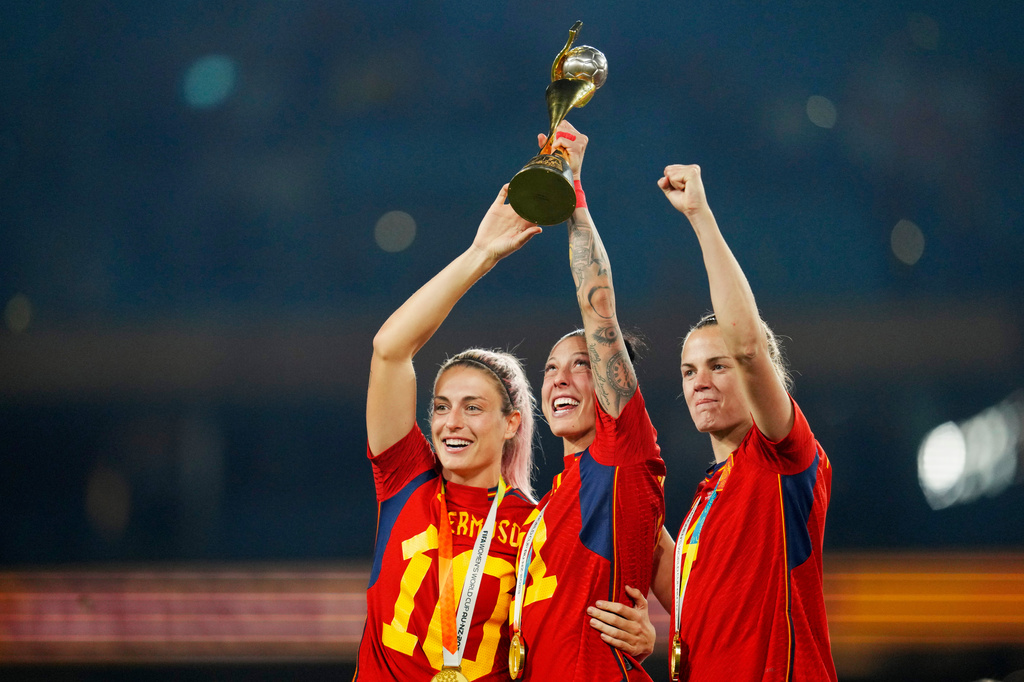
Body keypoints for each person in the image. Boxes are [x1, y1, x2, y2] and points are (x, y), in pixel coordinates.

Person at [649, 164, 837, 681]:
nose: (699, 382)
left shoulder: (782, 459)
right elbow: (677, 586)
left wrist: (700, 218)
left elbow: (750, 347)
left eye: (718, 366)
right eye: (688, 371)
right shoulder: (705, 500)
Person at [355, 186, 542, 680]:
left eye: (472, 407)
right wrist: (479, 255)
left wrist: (639, 633)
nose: (450, 422)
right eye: (440, 407)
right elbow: (390, 350)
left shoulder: (539, 527)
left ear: (511, 423)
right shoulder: (406, 479)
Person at [509, 121, 666, 681]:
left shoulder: (621, 449)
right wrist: (665, 634)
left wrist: (572, 195)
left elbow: (597, 310)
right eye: (550, 370)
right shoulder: (551, 504)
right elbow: (686, 594)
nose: (559, 381)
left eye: (581, 366)